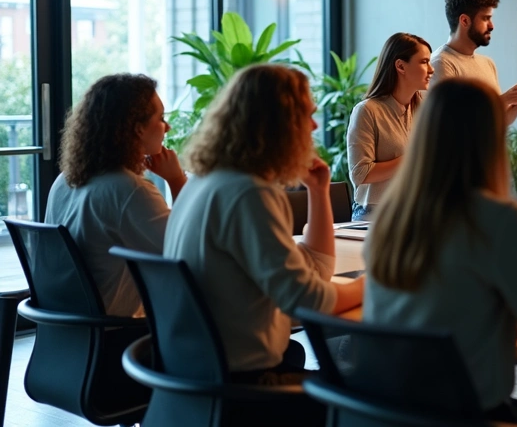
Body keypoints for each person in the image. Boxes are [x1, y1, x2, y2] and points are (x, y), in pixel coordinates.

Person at [364, 79, 517, 426]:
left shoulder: (390, 216)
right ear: (489, 140)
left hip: (384, 410)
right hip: (463, 416)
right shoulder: (499, 221)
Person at [166, 64, 364, 391]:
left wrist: (317, 191)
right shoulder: (248, 193)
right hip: (246, 384)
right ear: (279, 124)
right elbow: (307, 300)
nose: (314, 126)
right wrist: (370, 287)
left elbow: (315, 270)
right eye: (307, 115)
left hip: (197, 374)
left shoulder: (205, 181)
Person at [46, 73, 186, 317]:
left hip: (72, 331)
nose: (168, 127)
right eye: (161, 118)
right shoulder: (129, 190)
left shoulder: (64, 180)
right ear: (138, 128)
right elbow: (187, 252)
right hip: (118, 335)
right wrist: (176, 180)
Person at [346, 33, 433, 221]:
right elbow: (360, 174)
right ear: (400, 66)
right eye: (424, 62)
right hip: (374, 218)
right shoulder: (367, 111)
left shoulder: (426, 107)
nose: (431, 69)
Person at [430, 0, 517, 125]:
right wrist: (504, 99)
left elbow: (499, 122)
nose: (492, 26)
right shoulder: (440, 63)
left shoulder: (487, 63)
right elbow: (452, 121)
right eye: (485, 18)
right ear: (464, 21)